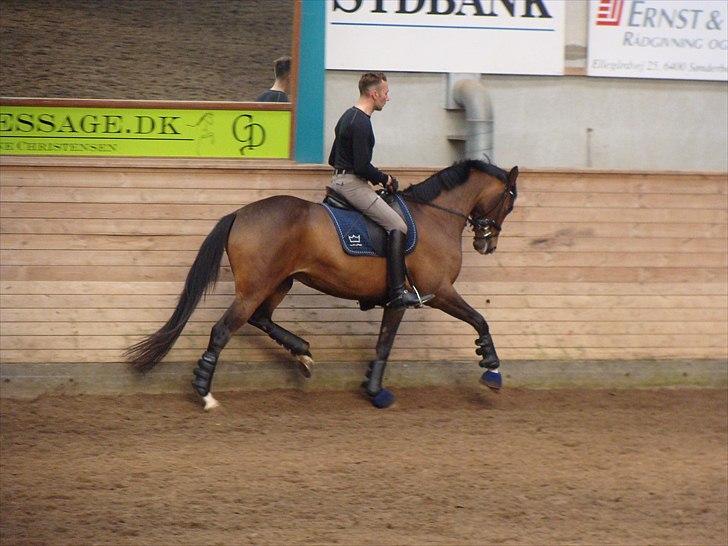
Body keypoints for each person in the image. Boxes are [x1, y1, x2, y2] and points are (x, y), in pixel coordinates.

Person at [328, 72, 434, 309]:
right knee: (398, 225)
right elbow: (361, 166)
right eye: (385, 93)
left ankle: (371, 292)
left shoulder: (347, 116)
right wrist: (385, 178)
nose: (388, 98)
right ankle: (397, 292)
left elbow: (332, 158)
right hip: (352, 185)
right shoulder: (362, 123)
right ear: (373, 93)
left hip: (339, 180)